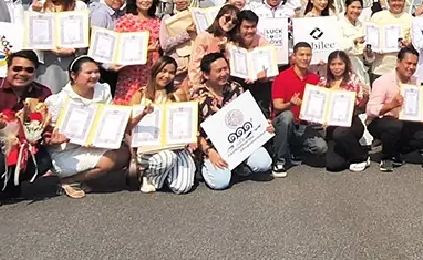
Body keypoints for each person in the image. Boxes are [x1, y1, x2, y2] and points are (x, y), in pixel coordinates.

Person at [0, 50, 54, 207]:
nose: (22, 73)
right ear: (7, 69)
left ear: (35, 72)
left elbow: (49, 122)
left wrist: (48, 134)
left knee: (45, 161)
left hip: (25, 146)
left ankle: (12, 184)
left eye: (29, 70)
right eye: (17, 69)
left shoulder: (44, 92)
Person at [44, 57, 132, 198]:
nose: (94, 76)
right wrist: (53, 139)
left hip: (93, 144)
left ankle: (78, 178)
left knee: (123, 155)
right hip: (66, 151)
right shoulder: (57, 101)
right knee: (108, 160)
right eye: (88, 73)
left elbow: (108, 117)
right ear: (74, 75)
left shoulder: (103, 90)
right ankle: (69, 181)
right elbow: (46, 135)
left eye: (96, 72)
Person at [192, 52, 275, 189]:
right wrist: (209, 151)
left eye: (225, 69)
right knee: (220, 182)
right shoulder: (197, 97)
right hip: (213, 148)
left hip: (241, 142)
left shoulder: (236, 88)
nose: (224, 73)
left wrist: (264, 126)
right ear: (206, 75)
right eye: (218, 71)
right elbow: (194, 133)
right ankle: (204, 168)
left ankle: (237, 165)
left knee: (264, 163)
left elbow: (251, 115)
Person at [133, 57, 199, 194]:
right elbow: (128, 126)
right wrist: (143, 114)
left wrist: (192, 137)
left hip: (176, 146)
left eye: (171, 72)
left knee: (182, 187)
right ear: (154, 71)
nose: (167, 76)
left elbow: (188, 121)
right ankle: (150, 177)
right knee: (166, 158)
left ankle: (165, 174)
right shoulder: (140, 94)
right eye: (163, 71)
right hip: (148, 149)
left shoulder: (178, 94)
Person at [365, 47, 423, 172]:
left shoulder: (415, 82)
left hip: (405, 121)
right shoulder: (382, 81)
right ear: (398, 62)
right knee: (394, 126)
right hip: (381, 122)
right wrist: (391, 105)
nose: (411, 67)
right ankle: (386, 157)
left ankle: (397, 150)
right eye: (408, 63)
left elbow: (418, 109)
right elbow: (370, 110)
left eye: (414, 64)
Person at [269, 42, 329, 177]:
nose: (305, 58)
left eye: (308, 55)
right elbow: (277, 106)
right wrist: (290, 103)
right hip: (283, 123)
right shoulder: (282, 77)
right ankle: (280, 161)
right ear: (294, 57)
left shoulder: (315, 78)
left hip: (304, 124)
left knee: (321, 148)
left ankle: (294, 148)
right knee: (287, 117)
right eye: (301, 54)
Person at [313, 50, 370, 172]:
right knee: (333, 166)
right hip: (331, 125)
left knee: (340, 133)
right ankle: (350, 153)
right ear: (329, 66)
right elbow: (318, 104)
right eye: (333, 64)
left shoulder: (353, 79)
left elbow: (360, 104)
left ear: (346, 65)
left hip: (350, 122)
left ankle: (362, 157)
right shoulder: (323, 82)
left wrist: (362, 97)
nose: (337, 68)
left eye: (340, 64)